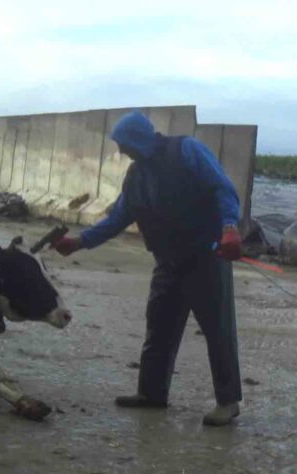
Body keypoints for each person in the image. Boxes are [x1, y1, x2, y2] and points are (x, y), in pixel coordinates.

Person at [52, 110, 244, 426]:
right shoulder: (136, 177)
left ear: (139, 139)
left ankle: (228, 402)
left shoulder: (187, 150)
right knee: (159, 328)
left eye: (124, 144)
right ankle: (152, 394)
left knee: (217, 330)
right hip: (168, 262)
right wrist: (80, 242)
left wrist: (229, 226)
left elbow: (222, 188)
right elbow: (117, 219)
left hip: (207, 257)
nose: (121, 151)